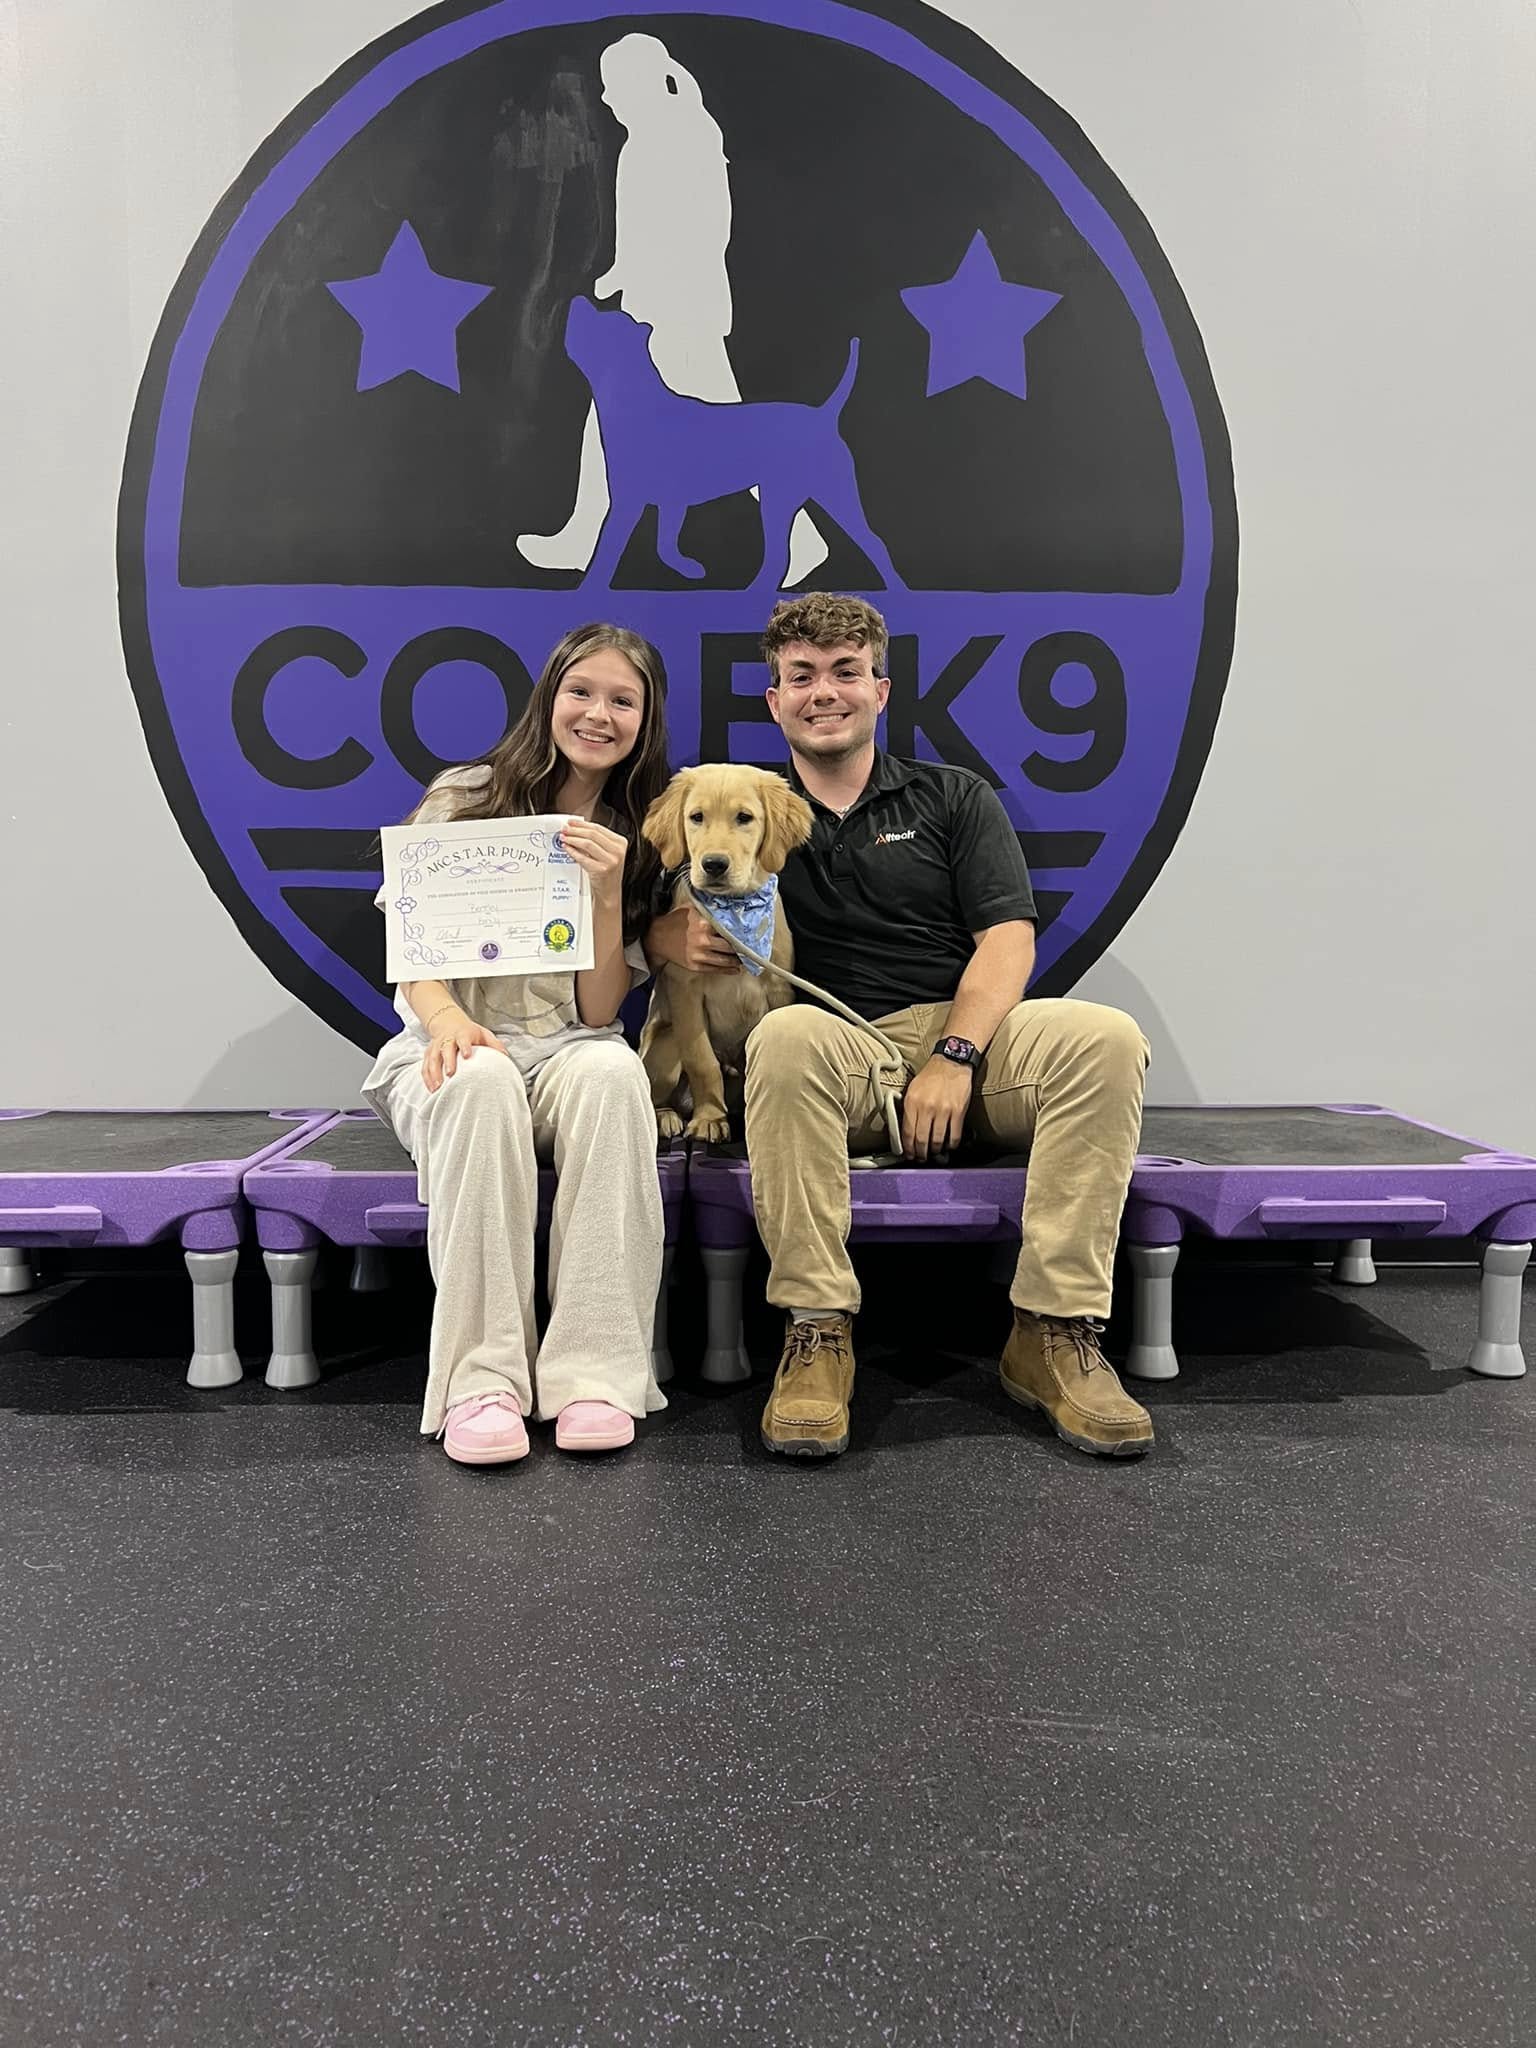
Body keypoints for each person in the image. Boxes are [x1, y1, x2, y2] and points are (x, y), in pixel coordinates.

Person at [645, 593, 1154, 1462]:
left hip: (967, 1038)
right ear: (774, 702)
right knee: (786, 1037)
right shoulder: (746, 810)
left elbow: (1006, 936)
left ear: (880, 690)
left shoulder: (953, 796)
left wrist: (956, 1054)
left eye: (846, 673)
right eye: (800, 677)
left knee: (1103, 1036)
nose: (824, 692)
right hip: (837, 1046)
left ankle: (1055, 1332)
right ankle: (815, 1330)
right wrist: (665, 933)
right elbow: (666, 917)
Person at [363, 623, 672, 1465]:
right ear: (549, 698)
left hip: (568, 1045)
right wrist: (448, 1022)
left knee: (615, 1070)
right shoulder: (468, 793)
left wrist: (608, 892)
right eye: (582, 692)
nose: (598, 713)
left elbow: (604, 1005)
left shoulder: (632, 832)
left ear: (645, 721)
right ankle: (481, 1383)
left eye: (622, 700)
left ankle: (595, 1376)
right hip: (448, 1041)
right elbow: (415, 951)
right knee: (479, 1080)